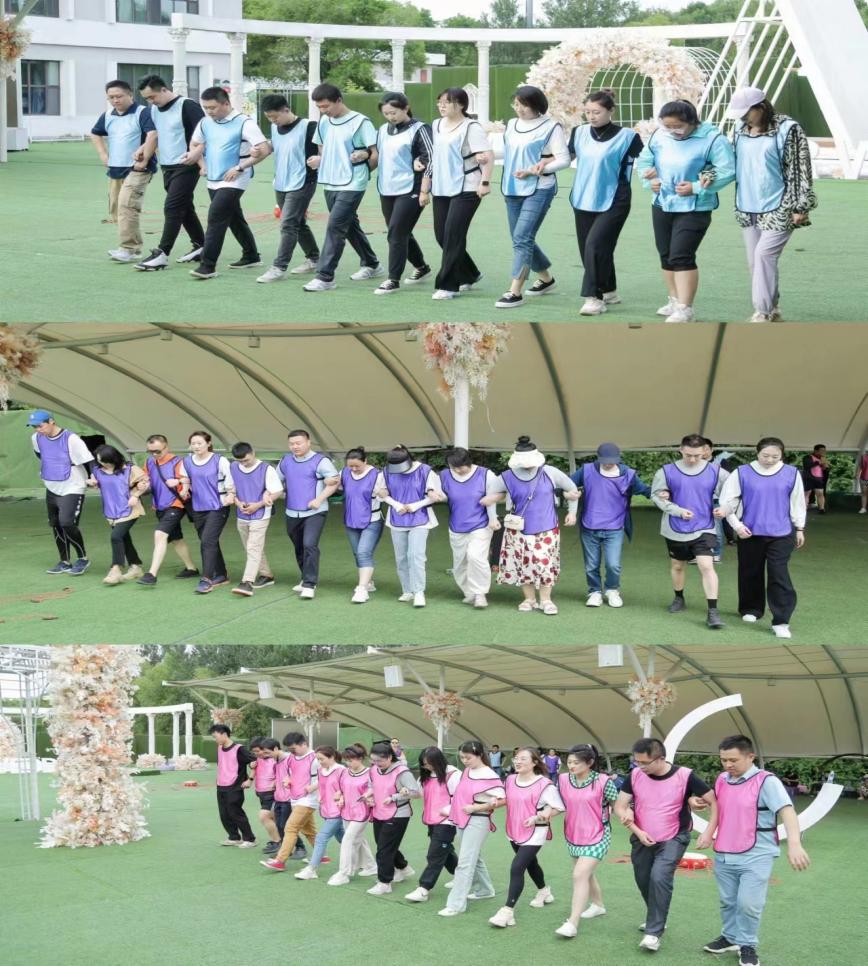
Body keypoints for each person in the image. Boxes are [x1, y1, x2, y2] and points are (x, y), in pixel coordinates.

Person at [697, 735, 811, 966]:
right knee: (728, 901)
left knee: (748, 903)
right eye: (723, 760)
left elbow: (787, 811)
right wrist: (703, 818)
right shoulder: (722, 779)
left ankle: (747, 944)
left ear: (750, 757)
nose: (728, 765)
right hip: (724, 851)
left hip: (757, 854)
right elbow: (718, 808)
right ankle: (730, 937)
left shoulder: (767, 781)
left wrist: (794, 844)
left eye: (733, 760)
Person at [636, 99, 735, 322]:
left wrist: (696, 187)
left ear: (692, 122)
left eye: (678, 126)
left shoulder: (713, 139)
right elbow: (644, 162)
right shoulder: (659, 136)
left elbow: (727, 170)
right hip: (662, 203)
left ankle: (685, 308)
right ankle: (674, 300)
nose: (673, 131)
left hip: (695, 207)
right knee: (666, 254)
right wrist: (649, 181)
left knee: (681, 254)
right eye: (668, 126)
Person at [615, 737, 717, 953]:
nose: (640, 767)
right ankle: (656, 916)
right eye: (637, 762)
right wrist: (636, 828)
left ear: (661, 758)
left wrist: (708, 831)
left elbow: (714, 801)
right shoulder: (635, 776)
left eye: (645, 762)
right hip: (642, 837)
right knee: (643, 879)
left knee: (659, 876)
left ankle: (653, 932)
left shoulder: (685, 775)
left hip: (674, 837)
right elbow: (620, 806)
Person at [727, 87, 818, 322]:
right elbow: (729, 161)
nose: (743, 118)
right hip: (747, 205)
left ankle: (763, 311)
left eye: (747, 113)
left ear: (761, 107)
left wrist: (801, 206)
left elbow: (800, 168)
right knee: (755, 261)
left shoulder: (788, 129)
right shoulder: (738, 129)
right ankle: (773, 307)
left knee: (763, 255)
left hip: (781, 205)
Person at [718, 437, 806, 639]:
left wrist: (800, 527)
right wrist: (738, 526)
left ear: (782, 455)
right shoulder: (742, 472)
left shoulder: (792, 473)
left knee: (778, 573)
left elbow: (797, 502)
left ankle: (781, 620)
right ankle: (751, 608)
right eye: (765, 455)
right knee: (750, 571)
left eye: (775, 456)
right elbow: (727, 502)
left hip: (782, 533)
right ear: (757, 453)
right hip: (749, 532)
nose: (770, 460)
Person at [483, 435, 579, 615]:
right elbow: (490, 496)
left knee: (545, 564)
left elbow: (572, 489)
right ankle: (529, 599)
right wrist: (492, 518)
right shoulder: (507, 476)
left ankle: (546, 600)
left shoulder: (550, 472)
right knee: (523, 564)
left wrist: (572, 512)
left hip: (546, 527)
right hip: (518, 529)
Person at [179, 86, 268, 279]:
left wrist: (240, 167)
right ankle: (251, 255)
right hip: (213, 178)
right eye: (205, 108)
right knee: (234, 217)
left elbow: (264, 149)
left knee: (216, 217)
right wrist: (202, 164)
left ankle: (207, 266)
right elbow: (195, 144)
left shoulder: (245, 123)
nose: (209, 111)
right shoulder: (205, 123)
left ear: (226, 103)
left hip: (236, 179)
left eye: (212, 107)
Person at [568, 89, 644, 316]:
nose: (591, 116)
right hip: (583, 197)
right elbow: (565, 157)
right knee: (590, 248)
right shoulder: (579, 132)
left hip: (615, 199)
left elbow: (649, 160)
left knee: (595, 245)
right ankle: (609, 290)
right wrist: (541, 164)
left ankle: (593, 298)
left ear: (611, 111)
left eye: (597, 112)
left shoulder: (629, 137)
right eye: (588, 112)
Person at [495, 85, 570, 309]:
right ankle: (546, 279)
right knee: (521, 237)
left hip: (540, 188)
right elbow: (509, 152)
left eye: (524, 106)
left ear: (537, 106)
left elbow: (563, 159)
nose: (519, 109)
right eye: (516, 104)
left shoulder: (551, 127)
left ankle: (514, 292)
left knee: (522, 237)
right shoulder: (511, 124)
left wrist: (538, 169)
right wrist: (480, 155)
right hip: (512, 187)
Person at [303, 83, 383, 291]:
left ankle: (325, 276)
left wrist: (364, 172)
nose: (323, 110)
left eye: (326, 106)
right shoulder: (324, 122)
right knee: (349, 225)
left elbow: (374, 154)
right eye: (319, 107)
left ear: (339, 100)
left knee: (335, 225)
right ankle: (372, 264)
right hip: (330, 181)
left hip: (353, 182)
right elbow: (322, 150)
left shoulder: (361, 122)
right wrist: (319, 160)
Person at [422, 87, 494, 300]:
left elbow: (487, 156)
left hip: (467, 187)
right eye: (439, 102)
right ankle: (470, 274)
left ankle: (448, 285)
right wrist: (425, 179)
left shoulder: (471, 127)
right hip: (442, 186)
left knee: (454, 235)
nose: (441, 105)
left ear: (460, 105)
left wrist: (485, 182)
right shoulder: (436, 124)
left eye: (447, 102)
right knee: (441, 236)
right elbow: (434, 155)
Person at [652, 433, 729, 629]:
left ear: (705, 451)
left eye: (697, 455)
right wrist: (677, 510)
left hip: (705, 527)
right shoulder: (666, 471)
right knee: (678, 565)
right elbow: (657, 496)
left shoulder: (717, 471)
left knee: (706, 566)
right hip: (675, 528)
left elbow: (732, 494)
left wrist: (725, 508)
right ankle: (679, 598)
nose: (693, 459)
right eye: (688, 455)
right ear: (681, 450)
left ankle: (713, 611)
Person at [134, 74, 206, 271]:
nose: (150, 101)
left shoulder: (187, 106)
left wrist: (197, 156)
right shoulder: (154, 110)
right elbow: (157, 135)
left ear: (164, 90)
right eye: (147, 98)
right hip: (167, 166)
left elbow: (206, 133)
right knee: (185, 207)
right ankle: (201, 245)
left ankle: (162, 253)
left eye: (152, 97)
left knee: (173, 207)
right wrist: (143, 150)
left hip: (187, 164)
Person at [488, 746, 565, 928]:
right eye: (516, 758)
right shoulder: (510, 779)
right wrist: (495, 800)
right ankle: (544, 891)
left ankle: (507, 911)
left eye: (523, 758)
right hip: (514, 829)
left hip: (536, 831)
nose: (517, 761)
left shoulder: (545, 784)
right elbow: (506, 798)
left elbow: (559, 807)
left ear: (535, 762)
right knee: (530, 863)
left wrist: (538, 817)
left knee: (517, 867)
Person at [571, 442, 652, 607]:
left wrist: (663, 492)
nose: (608, 464)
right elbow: (566, 484)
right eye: (605, 461)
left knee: (613, 564)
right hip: (589, 526)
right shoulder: (586, 470)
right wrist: (568, 493)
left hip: (615, 527)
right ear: (598, 458)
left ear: (618, 458)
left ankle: (612, 590)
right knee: (591, 565)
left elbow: (645, 490)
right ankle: (594, 592)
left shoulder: (628, 474)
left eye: (612, 461)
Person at [253, 93, 321, 283]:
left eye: (275, 116)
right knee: (298, 223)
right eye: (269, 118)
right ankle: (315, 259)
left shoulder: (309, 127)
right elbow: (274, 146)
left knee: (288, 224)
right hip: (281, 182)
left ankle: (279, 267)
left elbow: (326, 150)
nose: (273, 121)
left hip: (303, 182)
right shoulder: (275, 129)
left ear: (286, 109)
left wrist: (320, 159)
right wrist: (257, 150)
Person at [554, 744, 619, 939]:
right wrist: (544, 814)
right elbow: (558, 805)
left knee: (579, 874)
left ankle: (572, 923)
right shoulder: (563, 780)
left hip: (599, 834)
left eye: (576, 762)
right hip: (573, 834)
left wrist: (634, 824)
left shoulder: (603, 781)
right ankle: (598, 905)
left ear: (590, 762)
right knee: (586, 875)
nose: (571, 766)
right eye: (569, 762)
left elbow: (618, 806)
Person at [89, 79, 156, 262]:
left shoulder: (143, 112)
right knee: (115, 208)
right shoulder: (108, 115)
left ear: (130, 94)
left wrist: (144, 159)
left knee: (127, 206)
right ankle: (133, 248)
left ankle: (128, 248)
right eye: (111, 97)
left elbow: (153, 135)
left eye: (119, 96)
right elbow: (95, 133)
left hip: (138, 168)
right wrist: (103, 154)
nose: (115, 100)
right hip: (115, 168)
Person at [373, 92, 433, 294]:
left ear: (406, 108)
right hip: (387, 188)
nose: (390, 117)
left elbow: (430, 157)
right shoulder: (383, 130)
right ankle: (422, 267)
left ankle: (393, 279)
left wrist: (424, 185)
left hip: (412, 188)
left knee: (396, 233)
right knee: (400, 231)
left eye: (394, 112)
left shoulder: (420, 129)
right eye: (386, 113)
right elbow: (377, 154)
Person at [437, 740, 505, 917]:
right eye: (462, 758)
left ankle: (456, 904)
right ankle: (485, 890)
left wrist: (477, 807)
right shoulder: (468, 771)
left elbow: (503, 799)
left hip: (478, 820)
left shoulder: (489, 775)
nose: (465, 761)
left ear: (479, 755)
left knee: (465, 862)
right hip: (462, 818)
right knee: (474, 857)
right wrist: (452, 809)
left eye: (468, 757)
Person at [28, 410, 94, 576]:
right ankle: (64, 561)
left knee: (67, 523)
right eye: (34, 427)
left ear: (51, 421)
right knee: (56, 524)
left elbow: (89, 460)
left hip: (73, 486)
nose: (38, 430)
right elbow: (40, 455)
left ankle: (83, 558)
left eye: (40, 426)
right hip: (51, 486)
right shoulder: (36, 438)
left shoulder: (71, 439)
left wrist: (94, 476)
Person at [276, 430, 340, 599]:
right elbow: (276, 481)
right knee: (299, 546)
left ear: (308, 442)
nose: (295, 446)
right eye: (291, 444)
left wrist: (319, 499)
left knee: (309, 544)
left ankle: (309, 584)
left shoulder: (321, 461)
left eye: (298, 443)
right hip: (291, 511)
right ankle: (305, 577)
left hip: (315, 512)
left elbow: (334, 482)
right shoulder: (285, 461)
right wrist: (269, 495)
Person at [434, 447, 500, 608]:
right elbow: (439, 493)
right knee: (460, 562)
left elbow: (493, 497)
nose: (457, 470)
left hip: (481, 524)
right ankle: (469, 592)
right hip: (457, 525)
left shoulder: (486, 474)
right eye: (453, 467)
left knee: (476, 557)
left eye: (460, 466)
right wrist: (436, 495)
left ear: (469, 462)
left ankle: (480, 593)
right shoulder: (444, 475)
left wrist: (493, 519)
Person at [375, 445, 440, 608]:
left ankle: (419, 592)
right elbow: (381, 493)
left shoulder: (425, 471)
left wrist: (415, 506)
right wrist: (396, 505)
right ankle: (407, 590)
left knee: (415, 555)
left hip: (420, 519)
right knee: (401, 557)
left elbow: (435, 495)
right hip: (397, 519)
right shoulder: (386, 472)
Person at [136, 434, 199, 586]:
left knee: (160, 534)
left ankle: (151, 574)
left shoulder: (178, 462)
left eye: (157, 451)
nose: (154, 454)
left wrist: (180, 483)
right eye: (150, 451)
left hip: (176, 504)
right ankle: (191, 568)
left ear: (166, 447)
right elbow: (147, 481)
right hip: (160, 505)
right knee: (175, 538)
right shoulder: (149, 462)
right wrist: (143, 486)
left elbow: (188, 480)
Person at [178, 430, 235, 594]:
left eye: (199, 443)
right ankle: (221, 575)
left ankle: (207, 579)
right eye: (193, 443)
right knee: (209, 541)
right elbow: (185, 478)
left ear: (209, 444)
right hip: (198, 507)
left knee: (207, 541)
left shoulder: (220, 460)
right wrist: (185, 489)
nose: (196, 446)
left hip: (218, 506)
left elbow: (231, 480)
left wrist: (231, 494)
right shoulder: (187, 461)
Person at [364, 739, 421, 896]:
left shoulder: (402, 772)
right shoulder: (373, 770)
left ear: (390, 757)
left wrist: (395, 797)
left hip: (398, 814)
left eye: (380, 761)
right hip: (379, 812)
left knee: (384, 849)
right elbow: (372, 786)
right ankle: (402, 867)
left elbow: (416, 793)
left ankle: (384, 882)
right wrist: (368, 796)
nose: (377, 764)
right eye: (373, 760)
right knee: (383, 844)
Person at [404, 746, 461, 902]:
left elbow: (460, 797)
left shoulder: (453, 774)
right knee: (445, 851)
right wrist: (407, 792)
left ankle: (424, 888)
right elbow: (418, 793)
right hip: (431, 819)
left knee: (435, 854)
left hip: (447, 821)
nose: (426, 766)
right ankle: (462, 876)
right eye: (424, 764)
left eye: (429, 763)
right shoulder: (426, 776)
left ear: (438, 760)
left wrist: (447, 810)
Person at [86, 444, 149, 585]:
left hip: (130, 509)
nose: (104, 464)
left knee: (116, 536)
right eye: (100, 461)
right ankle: (135, 567)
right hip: (111, 510)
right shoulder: (97, 470)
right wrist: (91, 483)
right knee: (124, 538)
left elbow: (145, 482)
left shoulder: (130, 469)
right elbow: (97, 484)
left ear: (114, 458)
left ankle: (116, 569)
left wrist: (136, 495)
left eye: (106, 461)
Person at [228, 442, 283, 597]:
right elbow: (231, 489)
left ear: (253, 453)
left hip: (261, 514)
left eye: (246, 460)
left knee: (253, 547)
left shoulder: (266, 469)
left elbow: (277, 491)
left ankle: (247, 582)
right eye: (240, 461)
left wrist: (257, 505)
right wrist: (238, 503)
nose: (243, 463)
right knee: (251, 547)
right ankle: (266, 575)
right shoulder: (233, 467)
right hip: (242, 513)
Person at [261, 731, 320, 871]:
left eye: (293, 749)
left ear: (304, 744)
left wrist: (313, 787)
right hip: (295, 798)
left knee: (290, 828)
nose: (291, 752)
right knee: (309, 831)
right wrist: (288, 780)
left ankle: (280, 861)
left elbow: (326, 776)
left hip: (308, 800)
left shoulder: (315, 758)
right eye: (289, 750)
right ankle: (322, 856)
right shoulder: (292, 758)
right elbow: (291, 774)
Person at [328, 743, 378, 885]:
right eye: (346, 760)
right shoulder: (345, 772)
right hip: (346, 811)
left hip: (362, 812)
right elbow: (341, 789)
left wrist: (370, 797)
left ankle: (344, 873)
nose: (348, 763)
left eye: (350, 760)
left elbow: (375, 790)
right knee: (358, 839)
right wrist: (340, 797)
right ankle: (371, 866)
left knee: (348, 839)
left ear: (360, 758)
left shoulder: (370, 773)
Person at [339, 446, 384, 604]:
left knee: (363, 552)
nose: (353, 469)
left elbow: (386, 494)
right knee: (357, 553)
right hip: (351, 520)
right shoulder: (344, 473)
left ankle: (361, 589)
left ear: (365, 461)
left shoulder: (377, 475)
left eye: (357, 466)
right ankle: (368, 582)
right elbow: (335, 485)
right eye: (350, 466)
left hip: (372, 520)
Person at [295, 745, 347, 880]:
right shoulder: (321, 770)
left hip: (339, 810)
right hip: (326, 809)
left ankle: (312, 869)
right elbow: (322, 785)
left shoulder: (341, 770)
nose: (319, 762)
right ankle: (366, 862)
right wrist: (318, 794)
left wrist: (341, 796)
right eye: (317, 759)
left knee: (321, 838)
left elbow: (346, 788)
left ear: (332, 757)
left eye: (322, 759)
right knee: (343, 838)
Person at [209, 723, 257, 848]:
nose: (215, 739)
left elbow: (255, 762)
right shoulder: (220, 747)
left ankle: (250, 839)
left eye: (215, 736)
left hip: (235, 786)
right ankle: (234, 837)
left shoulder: (239, 749)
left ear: (224, 734)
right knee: (224, 814)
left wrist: (250, 779)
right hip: (221, 786)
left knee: (236, 813)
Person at [248, 737, 282, 856]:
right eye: (254, 752)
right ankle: (281, 841)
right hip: (261, 793)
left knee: (264, 816)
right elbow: (254, 769)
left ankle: (278, 842)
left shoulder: (275, 760)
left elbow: (283, 773)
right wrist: (250, 778)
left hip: (271, 793)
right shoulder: (258, 759)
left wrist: (276, 782)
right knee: (274, 819)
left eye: (258, 751)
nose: (257, 754)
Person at [801, 444, 829, 514]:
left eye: (824, 450)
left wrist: (825, 467)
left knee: (820, 494)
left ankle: (822, 509)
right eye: (822, 450)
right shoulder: (807, 457)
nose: (823, 452)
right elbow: (807, 465)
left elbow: (824, 469)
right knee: (806, 494)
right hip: (808, 478)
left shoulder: (823, 458)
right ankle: (803, 509)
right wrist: (818, 462)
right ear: (816, 450)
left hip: (819, 479)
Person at [857, 450, 868, 514]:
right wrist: (857, 474)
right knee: (864, 493)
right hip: (864, 478)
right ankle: (863, 508)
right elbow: (859, 466)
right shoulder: (863, 457)